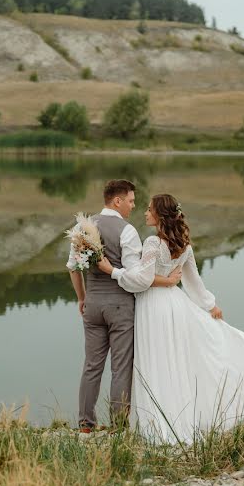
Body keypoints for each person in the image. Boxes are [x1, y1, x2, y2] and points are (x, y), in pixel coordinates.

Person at [97, 193, 244, 443]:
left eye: (149, 209)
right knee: (172, 360)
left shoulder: (153, 243)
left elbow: (140, 281)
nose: (144, 212)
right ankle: (173, 420)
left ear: (160, 215)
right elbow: (194, 282)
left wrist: (113, 271)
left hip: (152, 307)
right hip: (174, 304)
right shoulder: (183, 245)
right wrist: (210, 305)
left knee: (155, 361)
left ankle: (155, 426)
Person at [67, 180, 181, 433]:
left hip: (93, 305)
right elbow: (135, 277)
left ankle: (86, 423)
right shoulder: (127, 231)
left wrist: (82, 298)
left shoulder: (81, 226)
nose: (133, 206)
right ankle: (118, 426)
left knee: (91, 365)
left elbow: (73, 267)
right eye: (130, 201)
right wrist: (166, 281)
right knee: (120, 368)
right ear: (117, 201)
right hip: (120, 307)